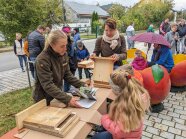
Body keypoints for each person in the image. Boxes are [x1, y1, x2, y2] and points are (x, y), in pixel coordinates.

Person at [92, 65, 150, 139]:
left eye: (111, 88)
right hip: (134, 134)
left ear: (117, 91)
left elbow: (118, 131)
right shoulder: (136, 95)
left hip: (124, 136)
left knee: (96, 137)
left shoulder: (124, 107)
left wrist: (104, 118)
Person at [33, 30, 86, 106]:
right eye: (62, 46)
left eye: (66, 45)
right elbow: (48, 85)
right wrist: (67, 99)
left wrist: (82, 86)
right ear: (52, 44)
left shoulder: (63, 54)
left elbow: (67, 75)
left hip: (56, 96)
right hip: (43, 99)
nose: (65, 49)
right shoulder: (42, 60)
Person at [62, 26, 78, 92]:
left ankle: (67, 89)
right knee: (68, 79)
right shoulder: (65, 42)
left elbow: (73, 53)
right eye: (67, 32)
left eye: (69, 32)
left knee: (70, 78)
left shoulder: (70, 40)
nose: (69, 34)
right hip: (69, 64)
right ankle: (66, 91)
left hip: (72, 62)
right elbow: (68, 55)